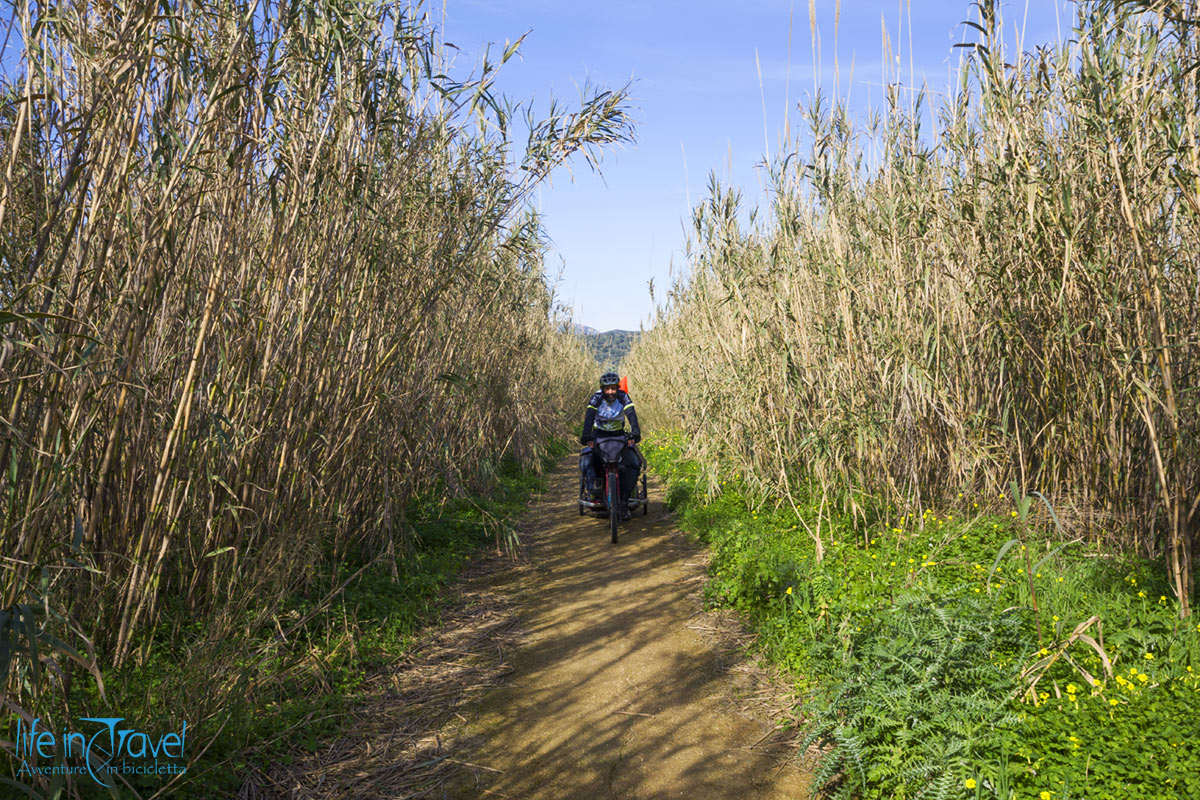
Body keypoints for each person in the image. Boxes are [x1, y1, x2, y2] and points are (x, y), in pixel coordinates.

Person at [580, 372, 642, 520]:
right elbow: (589, 416)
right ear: (602, 389)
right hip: (599, 435)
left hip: (618, 436)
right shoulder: (596, 398)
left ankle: (624, 501)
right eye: (607, 389)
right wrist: (586, 435)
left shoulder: (623, 396)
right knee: (590, 461)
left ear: (617, 388)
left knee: (631, 463)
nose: (610, 392)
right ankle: (598, 492)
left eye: (613, 388)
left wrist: (635, 432)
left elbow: (631, 414)